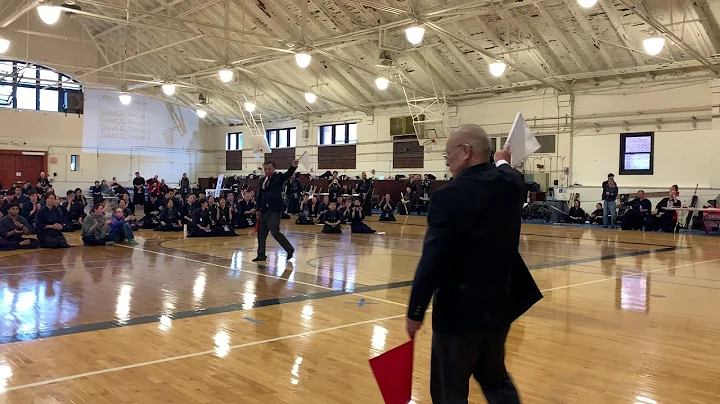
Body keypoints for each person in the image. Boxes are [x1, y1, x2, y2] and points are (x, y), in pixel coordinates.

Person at [405, 124, 542, 404]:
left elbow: (433, 260)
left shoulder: (448, 196)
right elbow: (506, 171)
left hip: (459, 312)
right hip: (499, 306)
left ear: (465, 152)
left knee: (449, 391)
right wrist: (502, 158)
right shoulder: (511, 185)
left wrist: (416, 310)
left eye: (448, 156)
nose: (448, 164)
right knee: (495, 380)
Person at [253, 160, 298, 262]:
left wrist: (293, 167)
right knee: (261, 233)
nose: (267, 171)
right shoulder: (262, 181)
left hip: (274, 210)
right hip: (263, 211)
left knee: (275, 232)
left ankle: (289, 249)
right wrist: (258, 209)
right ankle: (261, 254)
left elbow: (287, 175)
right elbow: (259, 196)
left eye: (269, 169)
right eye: (265, 169)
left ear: (273, 169)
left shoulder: (278, 178)